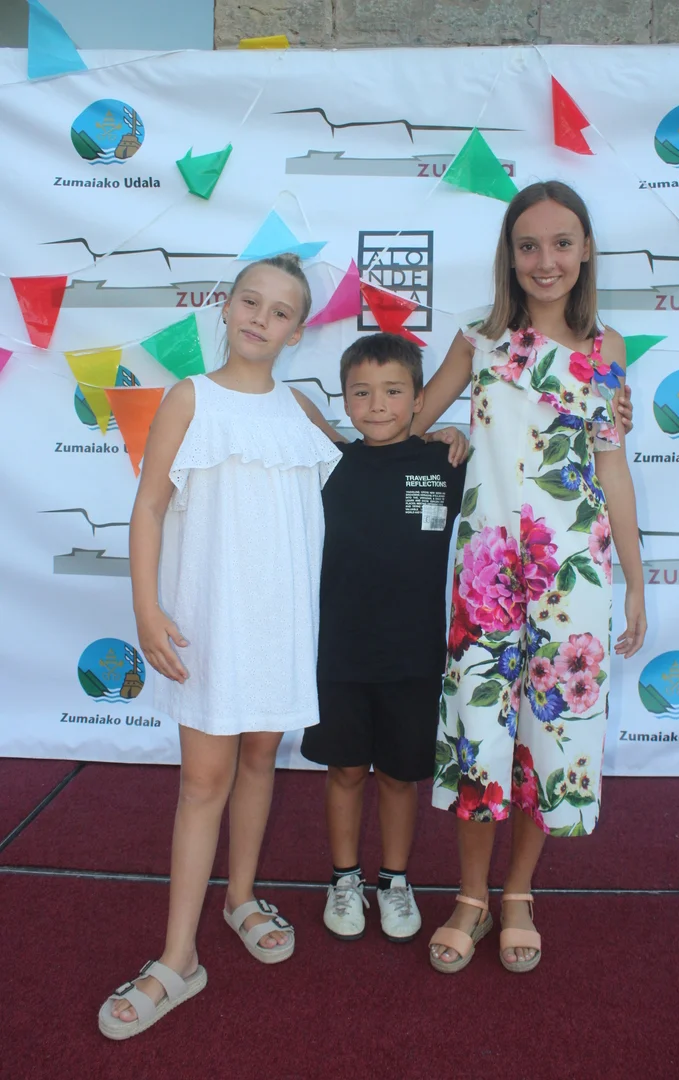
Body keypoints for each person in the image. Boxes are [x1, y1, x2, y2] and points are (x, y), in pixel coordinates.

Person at [98, 253, 344, 1040]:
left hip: (281, 625)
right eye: (250, 301)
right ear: (227, 306)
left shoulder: (300, 409)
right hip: (210, 623)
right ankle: (178, 958)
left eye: (280, 311)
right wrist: (146, 609)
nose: (260, 318)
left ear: (297, 332)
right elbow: (148, 507)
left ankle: (240, 899)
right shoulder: (189, 397)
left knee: (261, 758)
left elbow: (371, 454)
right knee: (203, 782)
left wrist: (437, 430)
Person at [410, 181, 646, 975]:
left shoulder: (607, 350)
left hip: (573, 576)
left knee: (553, 736)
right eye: (529, 245)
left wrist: (636, 583)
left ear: (586, 251)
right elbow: (409, 423)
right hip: (485, 573)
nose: (546, 260)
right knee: (478, 734)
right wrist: (444, 434)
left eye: (562, 243)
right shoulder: (478, 340)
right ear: (509, 256)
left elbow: (612, 471)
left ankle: (517, 893)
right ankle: (470, 897)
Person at [301, 332, 468, 943]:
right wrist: (323, 426)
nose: (377, 405)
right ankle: (345, 878)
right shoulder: (329, 463)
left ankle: (394, 881)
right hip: (339, 656)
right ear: (344, 399)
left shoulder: (446, 463)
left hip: (414, 657)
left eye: (394, 392)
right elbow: (289, 403)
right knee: (345, 771)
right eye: (361, 392)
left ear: (420, 398)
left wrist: (456, 433)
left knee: (400, 777)